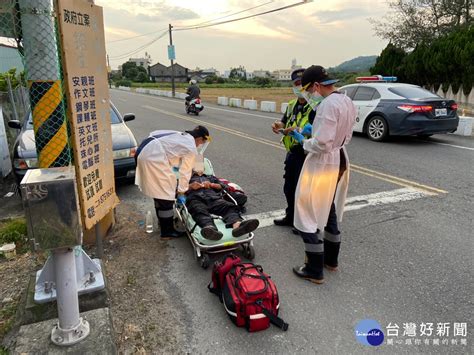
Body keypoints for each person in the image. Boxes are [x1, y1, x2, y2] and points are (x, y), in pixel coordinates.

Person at [289, 65, 356, 284]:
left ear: (317, 86)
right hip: (340, 158)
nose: (308, 95)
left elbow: (322, 142)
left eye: (308, 90)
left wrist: (305, 140)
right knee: (329, 208)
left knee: (307, 209)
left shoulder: (327, 105)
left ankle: (314, 268)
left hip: (323, 162)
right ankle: (331, 260)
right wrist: (314, 134)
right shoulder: (346, 100)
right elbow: (343, 136)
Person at [135, 125, 210, 239]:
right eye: (201, 142)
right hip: (152, 157)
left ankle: (163, 222)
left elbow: (154, 133)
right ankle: (167, 232)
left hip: (144, 151)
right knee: (166, 195)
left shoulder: (181, 136)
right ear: (199, 139)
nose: (200, 145)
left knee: (159, 191)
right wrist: (181, 191)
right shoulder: (190, 146)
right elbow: (185, 172)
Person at [271, 68, 318, 232]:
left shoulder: (315, 106)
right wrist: (279, 125)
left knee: (305, 190)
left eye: (301, 84)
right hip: (292, 153)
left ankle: (307, 223)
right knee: (289, 187)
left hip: (307, 153)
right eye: (296, 84)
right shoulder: (292, 105)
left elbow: (318, 131)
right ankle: (291, 217)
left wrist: (299, 130)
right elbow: (284, 122)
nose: (299, 87)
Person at [185, 168, 259, 241]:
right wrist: (190, 187)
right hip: (195, 199)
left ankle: (237, 226)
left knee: (229, 206)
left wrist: (212, 185)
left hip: (214, 198)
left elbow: (225, 187)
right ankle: (210, 229)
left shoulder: (210, 177)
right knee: (199, 210)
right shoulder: (184, 179)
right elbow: (176, 191)